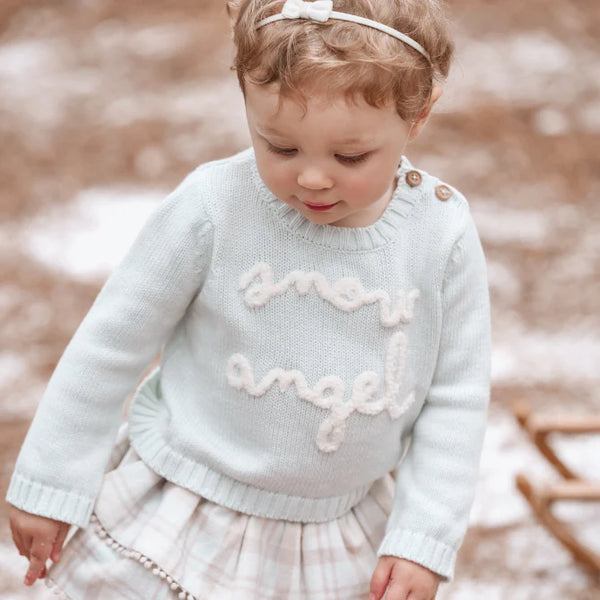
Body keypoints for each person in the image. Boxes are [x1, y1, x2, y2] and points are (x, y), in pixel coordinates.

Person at [6, 0, 491, 599]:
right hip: (183, 506)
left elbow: (456, 399)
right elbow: (112, 343)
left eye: (350, 157)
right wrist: (50, 483)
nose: (312, 178)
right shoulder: (215, 206)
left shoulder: (439, 234)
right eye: (280, 147)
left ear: (417, 118)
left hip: (335, 538)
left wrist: (422, 540)